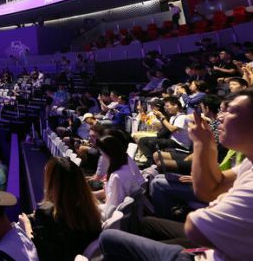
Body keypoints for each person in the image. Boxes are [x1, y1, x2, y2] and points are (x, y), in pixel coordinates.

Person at [99, 88, 253, 261]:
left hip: (210, 252)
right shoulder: (249, 163)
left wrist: (219, 201)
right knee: (146, 224)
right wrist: (203, 144)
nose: (220, 117)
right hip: (216, 245)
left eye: (230, 111)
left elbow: (195, 228)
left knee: (109, 238)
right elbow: (209, 190)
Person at [19, 157, 101, 261]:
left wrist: (27, 227)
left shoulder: (47, 217)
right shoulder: (91, 213)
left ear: (52, 185)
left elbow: (41, 255)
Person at [96, 135, 143, 220]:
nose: (102, 158)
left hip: (113, 219)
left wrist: (93, 206)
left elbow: (111, 210)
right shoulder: (126, 166)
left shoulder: (117, 177)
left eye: (102, 154)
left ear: (109, 155)